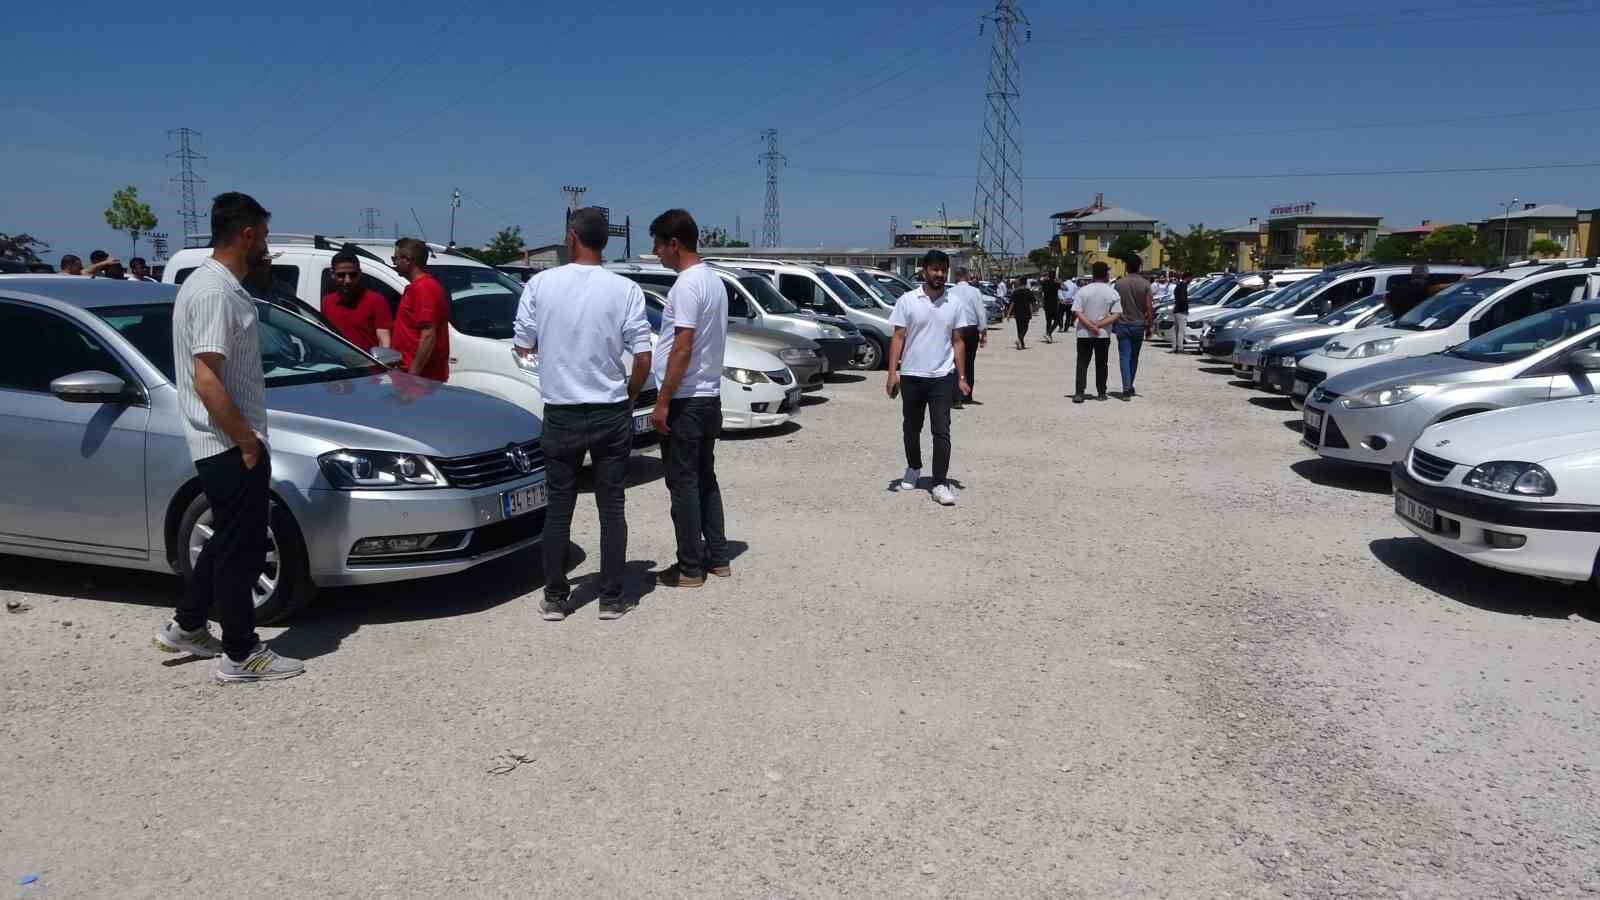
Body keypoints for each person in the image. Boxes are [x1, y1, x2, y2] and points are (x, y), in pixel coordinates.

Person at [155, 191, 303, 682]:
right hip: (226, 443)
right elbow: (206, 377)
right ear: (245, 235)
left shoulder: (210, 286)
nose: (265, 247)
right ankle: (241, 653)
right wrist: (245, 441)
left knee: (227, 539)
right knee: (241, 551)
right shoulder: (215, 291)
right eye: (262, 237)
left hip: (222, 440)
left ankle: (187, 625)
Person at [513, 208, 653, 621]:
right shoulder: (625, 289)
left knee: (560, 507)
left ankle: (556, 597)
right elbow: (643, 358)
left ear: (571, 237)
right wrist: (628, 397)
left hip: (561, 410)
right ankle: (611, 598)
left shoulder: (540, 284)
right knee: (611, 506)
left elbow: (523, 345)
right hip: (610, 409)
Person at [648, 209, 731, 589]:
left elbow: (682, 347)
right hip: (708, 395)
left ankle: (689, 568)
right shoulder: (714, 281)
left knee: (682, 484)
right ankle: (718, 557)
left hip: (685, 399)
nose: (656, 253)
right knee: (705, 479)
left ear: (674, 243)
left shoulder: (685, 285)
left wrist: (663, 400)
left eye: (658, 245)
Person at [886, 250, 972, 507]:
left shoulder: (954, 304)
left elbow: (958, 342)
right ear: (924, 271)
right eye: (934, 269)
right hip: (912, 375)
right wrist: (893, 373)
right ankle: (913, 467)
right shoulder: (907, 300)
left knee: (941, 431)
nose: (939, 274)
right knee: (911, 428)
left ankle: (939, 482)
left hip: (941, 377)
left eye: (943, 270)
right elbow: (898, 337)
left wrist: (962, 376)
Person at [391, 237, 451, 381]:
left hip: (422, 377)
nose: (394, 263)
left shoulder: (424, 288)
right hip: (408, 372)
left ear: (407, 260)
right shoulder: (414, 288)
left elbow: (428, 335)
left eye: (395, 259)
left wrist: (413, 374)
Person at [320, 246, 393, 351]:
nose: (347, 280)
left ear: (359, 273)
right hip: (338, 366)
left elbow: (384, 339)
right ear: (332, 274)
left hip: (368, 366)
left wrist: (385, 361)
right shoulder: (327, 302)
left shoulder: (376, 301)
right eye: (341, 275)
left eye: (352, 274)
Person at [1071, 261, 1121, 403]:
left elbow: (1077, 311)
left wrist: (1090, 325)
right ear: (1106, 274)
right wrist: (1098, 325)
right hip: (1103, 334)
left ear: (1093, 274)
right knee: (1101, 363)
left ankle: (1079, 392)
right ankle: (1101, 393)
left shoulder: (1083, 290)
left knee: (1082, 363)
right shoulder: (1112, 292)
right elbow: (1116, 314)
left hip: (1084, 333)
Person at [1111, 256, 1154, 400]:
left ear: (1127, 267)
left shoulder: (1119, 284)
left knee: (1124, 356)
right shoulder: (1145, 284)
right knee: (1134, 357)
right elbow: (1149, 306)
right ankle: (1130, 385)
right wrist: (1149, 325)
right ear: (1139, 267)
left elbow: (1114, 306)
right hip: (1138, 324)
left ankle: (1126, 387)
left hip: (1122, 324)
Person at [948, 267, 987, 407]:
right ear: (967, 277)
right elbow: (980, 312)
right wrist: (983, 331)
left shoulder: (950, 292)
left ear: (956, 277)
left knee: (955, 361)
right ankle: (967, 395)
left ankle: (955, 396)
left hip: (955, 329)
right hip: (971, 329)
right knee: (969, 362)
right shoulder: (975, 292)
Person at [1005, 279, 1036, 350]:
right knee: (1025, 328)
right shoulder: (1029, 292)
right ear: (1025, 283)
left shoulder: (1015, 292)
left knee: (1019, 328)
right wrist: (1031, 312)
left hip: (1017, 312)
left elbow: (1012, 304)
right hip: (1026, 312)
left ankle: (1021, 344)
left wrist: (1009, 314)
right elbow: (1031, 303)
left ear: (1020, 283)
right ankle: (1020, 340)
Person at [1170, 272, 1191, 354]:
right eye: (1190, 278)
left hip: (1176, 310)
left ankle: (1174, 347)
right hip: (1181, 310)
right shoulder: (1183, 286)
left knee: (1176, 330)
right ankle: (1180, 348)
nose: (1191, 280)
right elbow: (1183, 299)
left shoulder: (1178, 285)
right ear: (1188, 277)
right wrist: (1185, 307)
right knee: (1181, 331)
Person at [1040, 272, 1062, 343]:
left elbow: (1040, 289)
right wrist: (1059, 281)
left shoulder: (1044, 283)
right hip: (1054, 304)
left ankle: (1049, 336)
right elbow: (1065, 288)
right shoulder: (1056, 283)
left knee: (1048, 321)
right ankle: (1049, 333)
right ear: (1055, 277)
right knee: (1057, 320)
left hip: (1046, 304)